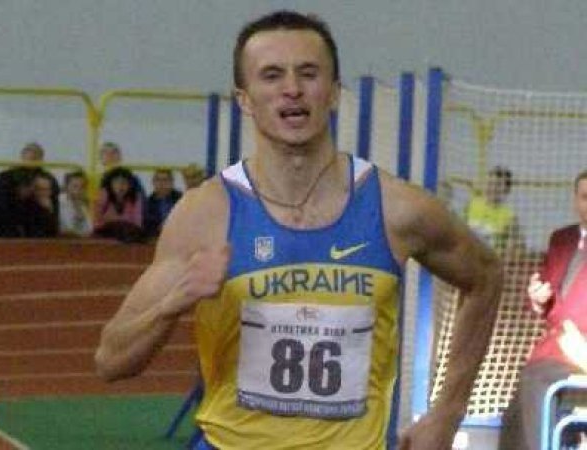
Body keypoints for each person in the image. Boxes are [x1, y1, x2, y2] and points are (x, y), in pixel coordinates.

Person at [95, 10, 502, 450]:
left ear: (334, 92)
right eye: (271, 75)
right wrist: (171, 304)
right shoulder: (205, 214)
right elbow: (111, 361)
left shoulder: (397, 208)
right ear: (245, 99)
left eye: (308, 73)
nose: (292, 89)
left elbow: (486, 276)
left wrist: (448, 412)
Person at [499, 169, 587, 450]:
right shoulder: (561, 239)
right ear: (575, 200)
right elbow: (548, 294)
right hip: (557, 348)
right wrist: (538, 298)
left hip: (576, 351)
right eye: (585, 197)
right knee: (513, 414)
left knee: (536, 381)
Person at [464, 165, 524, 257]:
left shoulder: (509, 216)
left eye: (498, 185)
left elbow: (515, 247)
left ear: (506, 190)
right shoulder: (472, 205)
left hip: (489, 261)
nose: (493, 188)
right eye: (490, 183)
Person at [93, 166, 145, 242]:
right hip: (105, 237)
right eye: (116, 182)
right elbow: (96, 223)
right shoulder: (103, 195)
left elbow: (138, 224)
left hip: (129, 237)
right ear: (110, 184)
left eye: (124, 182)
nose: (120, 186)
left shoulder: (135, 197)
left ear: (130, 185)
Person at [144, 169, 182, 237]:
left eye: (165, 180)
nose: (161, 183)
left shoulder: (181, 200)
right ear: (153, 183)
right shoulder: (148, 202)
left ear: (172, 182)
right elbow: (146, 224)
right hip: (156, 237)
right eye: (158, 180)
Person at [59, 170, 92, 237]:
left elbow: (89, 229)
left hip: (81, 241)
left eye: (82, 187)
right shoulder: (59, 202)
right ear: (66, 186)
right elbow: (68, 229)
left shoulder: (83, 205)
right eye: (75, 186)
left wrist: (79, 211)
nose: (78, 190)